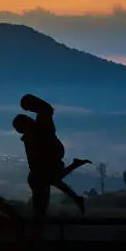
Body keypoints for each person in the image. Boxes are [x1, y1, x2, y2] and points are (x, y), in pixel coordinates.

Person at [13, 94, 92, 237]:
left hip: (40, 172)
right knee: (48, 189)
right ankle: (75, 192)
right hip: (43, 170)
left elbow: (37, 156)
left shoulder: (38, 126)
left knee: (41, 208)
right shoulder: (42, 120)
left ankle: (36, 238)